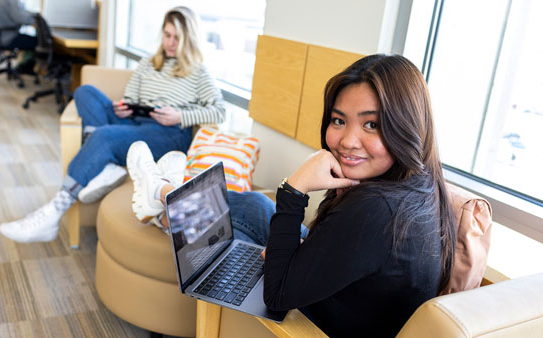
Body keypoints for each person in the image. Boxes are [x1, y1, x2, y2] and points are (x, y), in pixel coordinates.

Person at [127, 54, 456, 337]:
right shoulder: (420, 184)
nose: (347, 141)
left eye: (371, 125)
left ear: (407, 126)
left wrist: (294, 187)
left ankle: (163, 198)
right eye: (339, 120)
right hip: (337, 291)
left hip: (311, 320)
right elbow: (350, 254)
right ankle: (165, 194)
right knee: (253, 203)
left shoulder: (377, 210)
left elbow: (277, 293)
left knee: (218, 243)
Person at [0, 6, 226, 243]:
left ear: (189, 38)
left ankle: (54, 211)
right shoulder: (149, 63)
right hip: (136, 120)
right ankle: (105, 167)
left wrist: (179, 116)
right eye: (167, 35)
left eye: (177, 37)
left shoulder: (198, 72)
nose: (170, 42)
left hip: (167, 132)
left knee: (104, 136)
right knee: (85, 92)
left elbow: (220, 111)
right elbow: (131, 96)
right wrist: (124, 106)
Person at [0, 0, 38, 74]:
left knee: (30, 39)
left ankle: (25, 65)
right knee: (37, 41)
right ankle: (25, 67)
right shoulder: (12, 1)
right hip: (9, 38)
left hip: (2, 36)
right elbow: (19, 18)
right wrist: (36, 19)